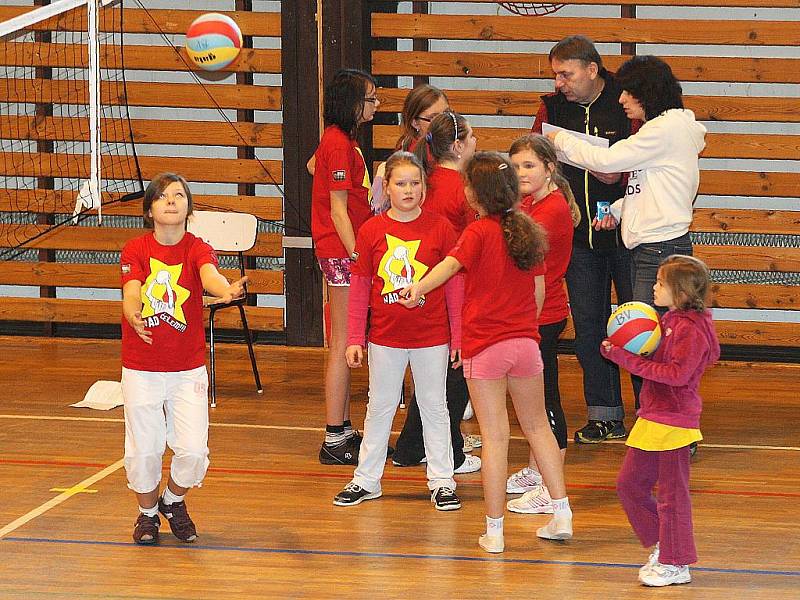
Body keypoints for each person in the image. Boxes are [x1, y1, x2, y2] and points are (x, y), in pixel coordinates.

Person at [400, 152, 572, 554]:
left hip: (486, 346)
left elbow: (447, 266)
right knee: (538, 428)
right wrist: (528, 329)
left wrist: (417, 289)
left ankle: (494, 532)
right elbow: (539, 290)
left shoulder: (477, 232)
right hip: (526, 344)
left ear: (473, 196)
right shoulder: (529, 229)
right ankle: (561, 512)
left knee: (495, 437)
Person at [121, 173, 247, 545]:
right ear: (149, 210)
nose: (171, 201)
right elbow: (131, 292)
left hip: (187, 368)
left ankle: (172, 501)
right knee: (144, 451)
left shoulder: (197, 248)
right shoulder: (135, 249)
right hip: (141, 369)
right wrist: (132, 314)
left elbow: (210, 276)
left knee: (193, 450)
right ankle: (146, 515)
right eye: (162, 196)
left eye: (179, 195)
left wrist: (227, 290)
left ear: (189, 207)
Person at [332, 151, 462, 511]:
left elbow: (454, 285)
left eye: (415, 183)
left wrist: (459, 337)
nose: (409, 190)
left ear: (424, 187)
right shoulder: (371, 230)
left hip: (432, 337)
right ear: (386, 187)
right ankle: (366, 479)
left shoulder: (441, 228)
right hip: (385, 338)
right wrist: (356, 337)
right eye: (401, 183)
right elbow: (359, 288)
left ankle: (442, 481)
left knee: (434, 405)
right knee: (380, 406)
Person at [532, 35, 636, 444]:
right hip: (578, 239)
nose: (559, 83)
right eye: (556, 75)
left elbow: (640, 162)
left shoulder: (626, 103)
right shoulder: (551, 108)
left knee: (639, 327)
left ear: (592, 69)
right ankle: (604, 413)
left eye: (566, 74)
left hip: (628, 237)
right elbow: (534, 159)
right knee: (590, 326)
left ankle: (652, 417)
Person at [547, 55, 706, 314]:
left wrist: (562, 140)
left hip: (659, 248)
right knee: (647, 332)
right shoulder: (662, 129)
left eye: (628, 92)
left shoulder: (666, 130)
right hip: (651, 247)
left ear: (646, 93)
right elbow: (652, 189)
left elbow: (607, 161)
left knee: (646, 335)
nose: (621, 99)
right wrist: (619, 211)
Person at [601, 255, 719, 586]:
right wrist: (629, 346)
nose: (653, 287)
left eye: (660, 283)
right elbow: (660, 358)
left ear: (679, 291)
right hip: (653, 416)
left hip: (674, 420)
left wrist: (624, 358)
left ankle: (676, 561)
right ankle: (662, 545)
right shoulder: (670, 320)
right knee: (629, 485)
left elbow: (677, 375)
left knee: (672, 495)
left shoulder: (691, 329)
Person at [392, 111, 481, 475]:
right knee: (453, 371)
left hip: (427, 283)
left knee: (439, 372)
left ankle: (413, 445)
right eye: (473, 137)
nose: (477, 143)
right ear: (458, 146)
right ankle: (446, 450)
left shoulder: (435, 182)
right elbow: (466, 247)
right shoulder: (457, 188)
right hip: (446, 286)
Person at [505, 134, 579, 514]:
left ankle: (553, 490)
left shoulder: (549, 211)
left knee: (545, 399)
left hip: (543, 313)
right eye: (515, 166)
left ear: (550, 168)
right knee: (535, 399)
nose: (521, 173)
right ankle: (538, 470)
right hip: (535, 310)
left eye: (529, 165)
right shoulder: (536, 203)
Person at [311, 69, 379, 466]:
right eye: (370, 99)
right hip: (341, 250)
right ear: (351, 102)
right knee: (342, 341)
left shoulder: (339, 142)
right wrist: (357, 255)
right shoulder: (337, 143)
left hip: (343, 247)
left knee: (347, 338)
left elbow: (311, 167)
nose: (375, 105)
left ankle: (344, 429)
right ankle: (334, 438)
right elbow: (337, 210)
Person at [371, 85, 450, 215]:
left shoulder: (446, 147)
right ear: (415, 123)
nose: (444, 123)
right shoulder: (411, 155)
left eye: (447, 114)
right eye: (434, 118)